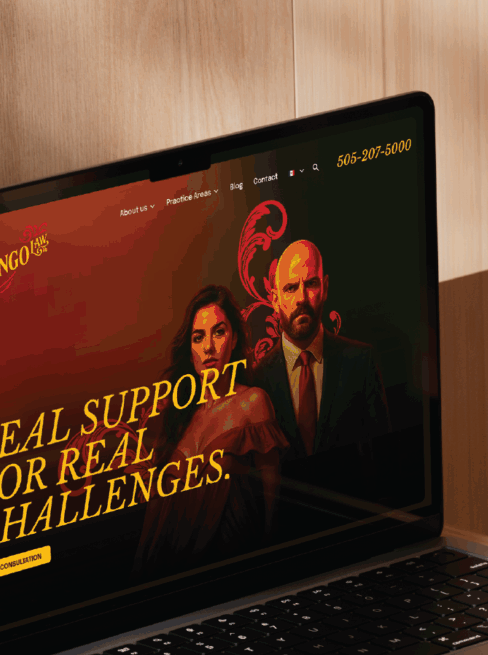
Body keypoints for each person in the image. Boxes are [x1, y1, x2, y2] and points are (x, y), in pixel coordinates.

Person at [135, 285, 289, 567]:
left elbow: (273, 513)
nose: (208, 347)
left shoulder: (252, 404)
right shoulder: (177, 420)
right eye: (198, 337)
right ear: (189, 349)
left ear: (233, 340)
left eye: (219, 332)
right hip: (166, 576)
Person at [248, 239, 391, 460]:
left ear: (325, 288)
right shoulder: (257, 383)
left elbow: (384, 458)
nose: (301, 298)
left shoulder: (361, 362)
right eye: (291, 288)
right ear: (275, 300)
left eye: (311, 284)